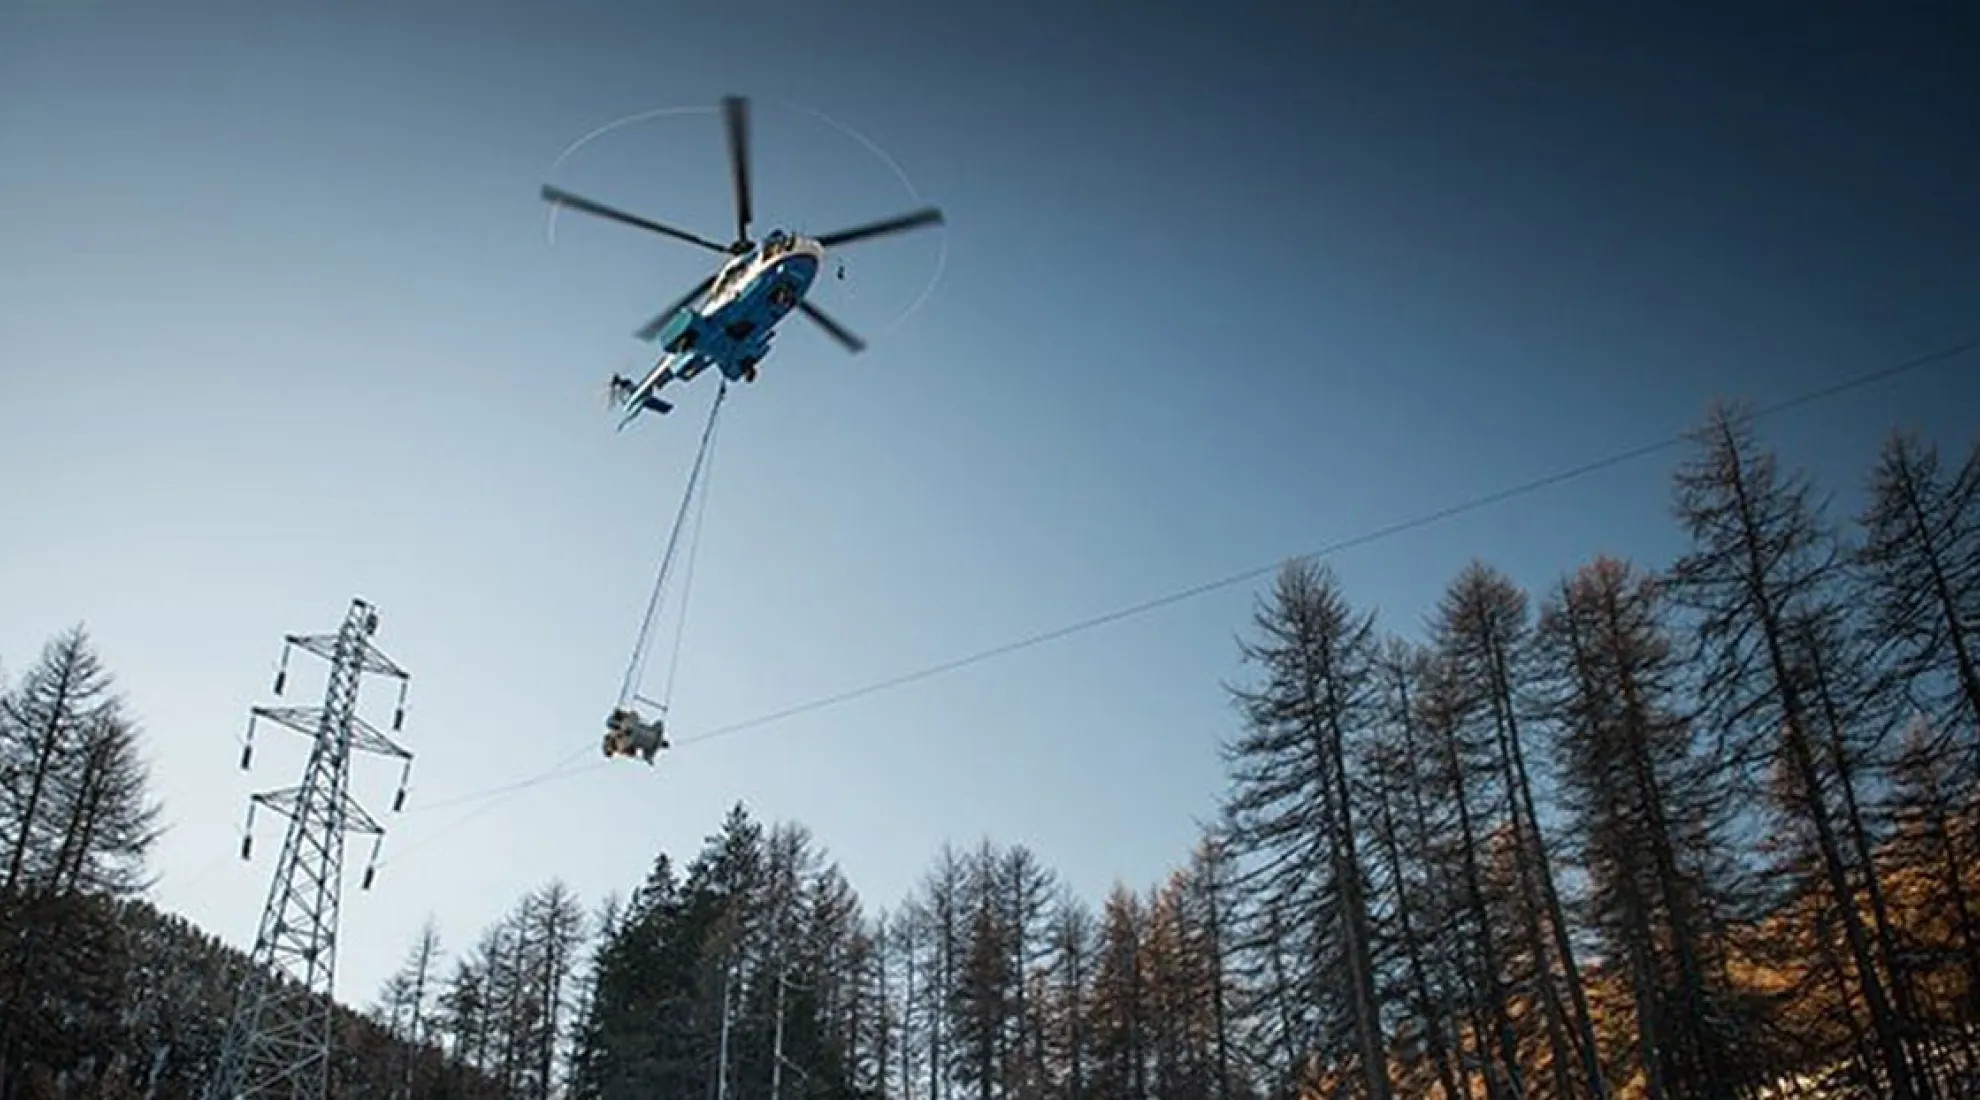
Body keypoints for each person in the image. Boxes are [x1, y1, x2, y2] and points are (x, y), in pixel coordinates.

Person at [602, 707, 668, 764]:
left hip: (629, 731)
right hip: (630, 732)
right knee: (618, 725)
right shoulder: (621, 746)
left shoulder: (620, 744)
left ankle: (620, 723)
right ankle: (621, 724)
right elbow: (632, 752)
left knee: (613, 723)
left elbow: (632, 752)